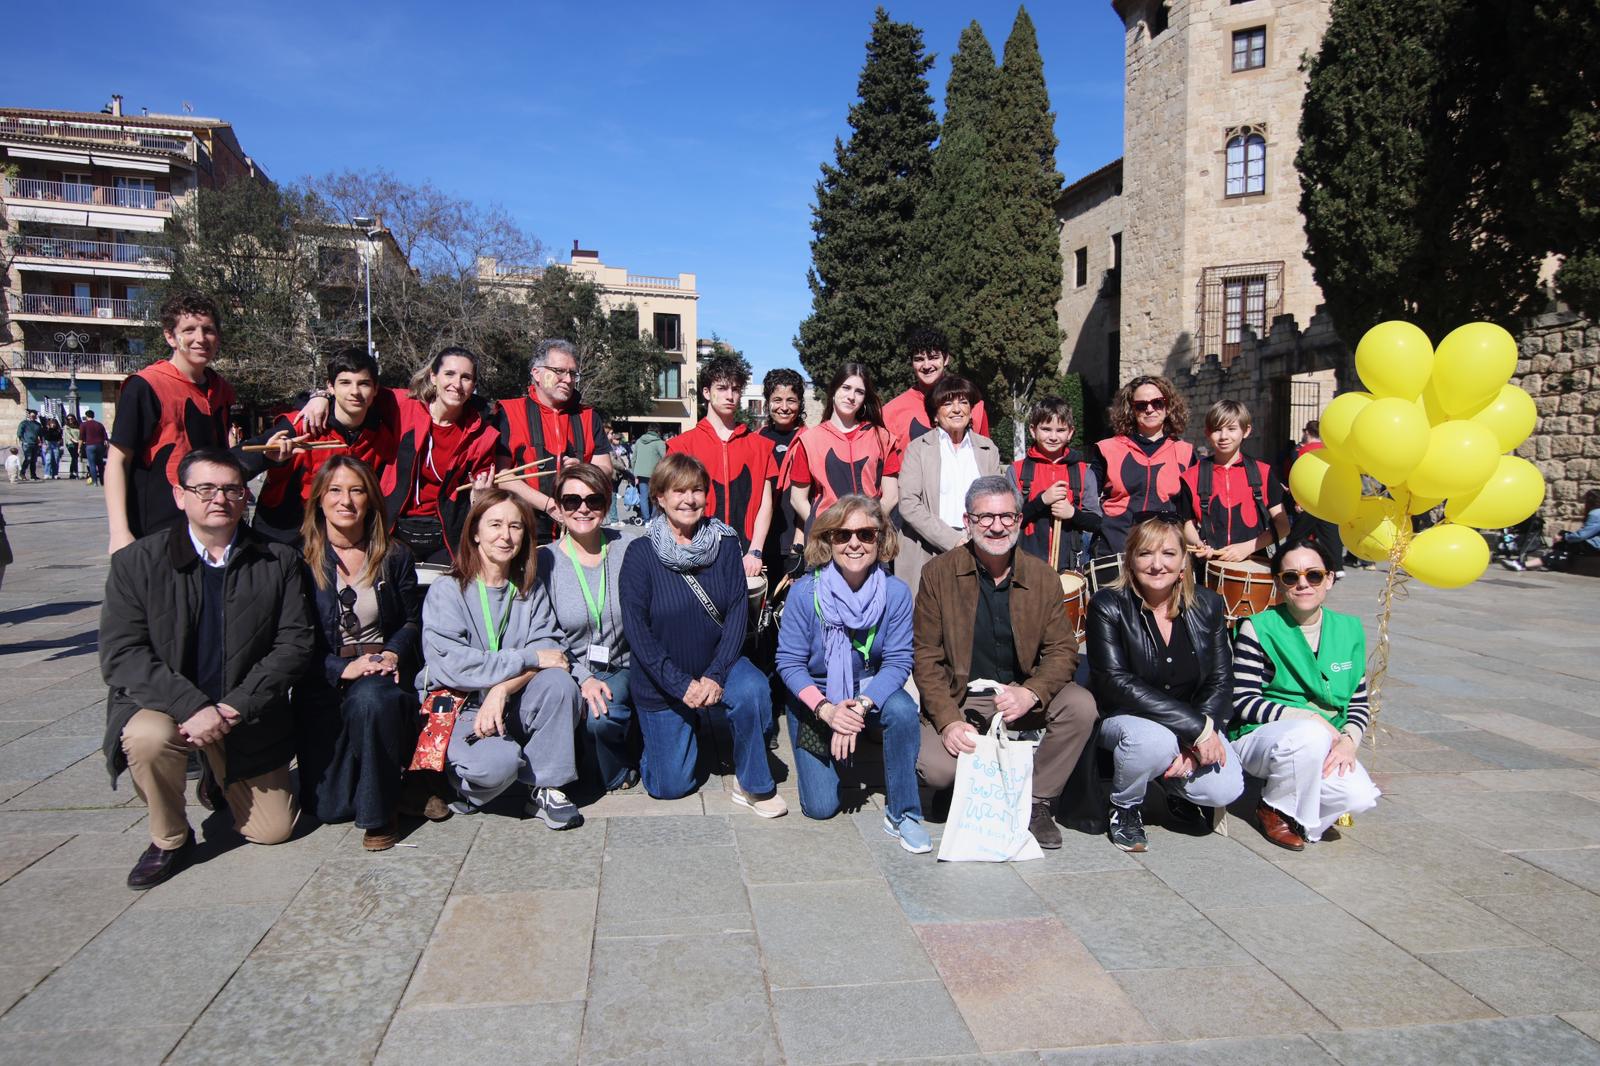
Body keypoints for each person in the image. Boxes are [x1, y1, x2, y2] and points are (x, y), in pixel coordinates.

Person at [100, 448, 315, 889]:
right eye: (205, 488)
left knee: (273, 831)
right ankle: (170, 838)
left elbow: (295, 643)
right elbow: (122, 653)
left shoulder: (279, 560)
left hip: (244, 712)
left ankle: (217, 781)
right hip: (168, 707)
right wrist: (191, 706)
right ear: (180, 496)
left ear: (244, 498)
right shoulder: (137, 563)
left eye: (232, 489)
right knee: (146, 737)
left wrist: (236, 706)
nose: (219, 498)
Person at [912, 475, 1099, 849]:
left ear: (1018, 521)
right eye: (985, 518)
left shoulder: (1043, 576)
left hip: (1020, 694)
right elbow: (926, 658)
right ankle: (968, 784)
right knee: (937, 770)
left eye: (1006, 517)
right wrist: (947, 722)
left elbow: (1063, 650)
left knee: (1081, 706)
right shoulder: (937, 575)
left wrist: (1032, 692)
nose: (996, 526)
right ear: (967, 522)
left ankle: (1035, 801)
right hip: (962, 697)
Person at [619, 453, 785, 816]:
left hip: (716, 663)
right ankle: (651, 742)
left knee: (754, 689)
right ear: (659, 497)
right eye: (678, 491)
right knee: (670, 786)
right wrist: (682, 686)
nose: (689, 499)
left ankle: (754, 783)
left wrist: (715, 674)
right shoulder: (640, 554)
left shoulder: (726, 545)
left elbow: (739, 614)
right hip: (662, 680)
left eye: (697, 490)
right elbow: (638, 633)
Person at [420, 490, 584, 827]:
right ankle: (467, 786)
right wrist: (527, 657)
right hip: (461, 704)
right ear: (475, 532)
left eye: (515, 526)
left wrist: (502, 689)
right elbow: (455, 665)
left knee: (559, 683)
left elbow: (551, 654)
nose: (505, 535)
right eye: (495, 524)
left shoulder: (529, 589)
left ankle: (546, 786)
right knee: (498, 765)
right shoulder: (447, 590)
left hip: (512, 701)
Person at [776, 496, 927, 849]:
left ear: (881, 539)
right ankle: (836, 743)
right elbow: (789, 663)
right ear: (829, 540)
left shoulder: (895, 593)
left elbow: (899, 661)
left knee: (904, 711)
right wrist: (827, 710)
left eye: (866, 534)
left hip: (868, 686)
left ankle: (904, 812)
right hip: (815, 695)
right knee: (821, 807)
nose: (854, 543)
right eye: (843, 535)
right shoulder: (804, 593)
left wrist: (859, 706)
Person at [1087, 515, 1244, 853]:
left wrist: (1200, 737)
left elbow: (1220, 679)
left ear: (1184, 561)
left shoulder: (1209, 604)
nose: (1157, 565)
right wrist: (1196, 730)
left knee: (1225, 788)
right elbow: (1115, 682)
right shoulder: (1107, 604)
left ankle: (1167, 783)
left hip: (1190, 722)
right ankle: (1125, 807)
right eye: (1145, 554)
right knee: (1151, 742)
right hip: (1125, 718)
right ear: (1131, 559)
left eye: (1169, 554)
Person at [295, 456, 426, 851]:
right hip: (324, 678)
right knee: (330, 808)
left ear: (371, 500)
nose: (346, 500)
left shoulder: (394, 554)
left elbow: (412, 621)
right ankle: (389, 782)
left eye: (357, 491)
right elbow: (292, 639)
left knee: (371, 698)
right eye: (335, 490)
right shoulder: (298, 559)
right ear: (319, 499)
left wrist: (391, 654)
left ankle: (380, 813)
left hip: (382, 675)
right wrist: (340, 667)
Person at [1230, 537, 1381, 849]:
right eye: (1290, 577)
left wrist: (1349, 742)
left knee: (1359, 796)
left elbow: (1357, 701)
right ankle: (1274, 806)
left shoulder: (1349, 629)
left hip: (1328, 739)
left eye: (1313, 575)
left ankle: (1301, 805)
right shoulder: (1257, 627)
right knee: (1308, 735)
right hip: (1262, 738)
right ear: (1277, 583)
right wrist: (1310, 718)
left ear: (1329, 579)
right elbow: (1243, 701)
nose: (1303, 584)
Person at [537, 463, 642, 793]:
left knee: (600, 717)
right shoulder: (544, 561)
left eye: (593, 500)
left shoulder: (629, 547)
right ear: (557, 505)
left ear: (607, 505)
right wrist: (582, 678)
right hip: (570, 669)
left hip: (622, 665)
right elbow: (545, 631)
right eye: (571, 501)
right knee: (591, 709)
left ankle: (618, 762)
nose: (583, 508)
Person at [105, 294, 235, 552]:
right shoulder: (145, 386)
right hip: (156, 530)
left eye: (208, 330)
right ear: (170, 337)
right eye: (189, 330)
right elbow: (117, 460)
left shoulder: (220, 388)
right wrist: (119, 532)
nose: (200, 338)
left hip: (209, 531)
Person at [239, 348, 398, 545]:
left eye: (363, 384)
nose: (355, 392)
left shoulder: (380, 435)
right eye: (345, 383)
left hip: (339, 539)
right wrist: (268, 459)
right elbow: (239, 461)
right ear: (330, 387)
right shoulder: (303, 424)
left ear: (375, 389)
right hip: (283, 536)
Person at [493, 339, 615, 543]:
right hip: (523, 527)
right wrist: (549, 505)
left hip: (578, 525)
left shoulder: (588, 416)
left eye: (573, 373)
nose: (567, 379)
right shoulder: (509, 412)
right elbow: (502, 475)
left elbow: (606, 468)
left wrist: (586, 471)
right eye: (559, 371)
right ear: (536, 373)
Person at [667, 354, 776, 576]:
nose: (730, 396)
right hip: (695, 557)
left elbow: (766, 504)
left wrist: (755, 551)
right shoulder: (682, 446)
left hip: (746, 558)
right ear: (707, 392)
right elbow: (672, 505)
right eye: (722, 388)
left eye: (735, 389)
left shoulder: (760, 447)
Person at [895, 376, 1001, 596]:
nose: (956, 409)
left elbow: (996, 500)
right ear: (935, 413)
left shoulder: (988, 449)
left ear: (971, 410)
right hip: (928, 545)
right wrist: (953, 541)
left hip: (978, 546)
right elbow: (908, 504)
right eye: (947, 403)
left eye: (963, 402)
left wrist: (976, 540)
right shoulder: (918, 449)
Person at [783, 363, 901, 549]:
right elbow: (797, 499)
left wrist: (869, 528)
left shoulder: (883, 438)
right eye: (846, 388)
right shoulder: (809, 441)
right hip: (825, 543)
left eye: (859, 392)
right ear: (834, 390)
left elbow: (892, 496)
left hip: (870, 541)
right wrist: (826, 529)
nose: (851, 396)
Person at [1091, 376, 1195, 555]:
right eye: (1141, 405)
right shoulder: (1107, 449)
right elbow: (1088, 502)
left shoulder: (1185, 453)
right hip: (1114, 550)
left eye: (1157, 403)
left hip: (1163, 556)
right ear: (1131, 409)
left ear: (1168, 406)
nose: (1149, 409)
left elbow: (1191, 512)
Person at [1180, 400, 1289, 561]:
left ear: (1246, 431)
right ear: (1207, 433)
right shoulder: (1191, 476)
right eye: (1217, 430)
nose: (1224, 436)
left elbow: (1283, 525)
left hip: (1254, 564)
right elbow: (1186, 523)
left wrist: (1247, 547)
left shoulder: (1263, 473)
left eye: (1231, 429)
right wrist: (1198, 543)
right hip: (1209, 566)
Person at [1010, 396, 1103, 572]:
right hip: (1026, 566)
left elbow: (1096, 522)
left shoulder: (1083, 472)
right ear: (1032, 430)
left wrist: (1073, 513)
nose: (1053, 437)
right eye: (1046, 429)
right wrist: (1041, 501)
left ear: (1070, 433)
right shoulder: (1017, 471)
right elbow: (1009, 519)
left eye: (1060, 430)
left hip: (1069, 568)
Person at [881, 326, 991, 452]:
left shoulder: (974, 407)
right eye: (919, 359)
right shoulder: (890, 413)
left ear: (946, 359)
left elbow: (985, 460)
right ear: (911, 363)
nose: (926, 365)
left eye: (933, 357)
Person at [757, 368, 806, 574]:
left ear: (800, 403)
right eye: (777, 400)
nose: (784, 407)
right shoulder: (756, 439)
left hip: (794, 545)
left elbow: (812, 497)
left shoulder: (810, 440)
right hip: (760, 544)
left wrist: (798, 544)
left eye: (791, 400)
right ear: (768, 402)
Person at [1289, 419, 1346, 574]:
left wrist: (1297, 499)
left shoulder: (1303, 451)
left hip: (1310, 498)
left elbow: (1300, 477)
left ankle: (1289, 558)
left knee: (1297, 534)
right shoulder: (1331, 450)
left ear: (1307, 432)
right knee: (1330, 533)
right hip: (1329, 497)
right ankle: (1337, 567)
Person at [631, 424, 668, 522]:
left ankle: (646, 520)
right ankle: (654, 518)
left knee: (643, 497)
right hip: (655, 474)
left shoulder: (639, 441)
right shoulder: (659, 443)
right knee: (656, 497)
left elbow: (633, 458)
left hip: (641, 473)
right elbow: (665, 458)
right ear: (658, 432)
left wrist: (634, 473)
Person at [79, 410, 108, 487]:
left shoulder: (84, 425)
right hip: (100, 445)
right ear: (93, 416)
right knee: (100, 464)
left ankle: (95, 482)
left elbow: (81, 437)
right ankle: (102, 481)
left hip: (90, 446)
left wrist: (79, 448)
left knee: (92, 464)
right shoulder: (99, 425)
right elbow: (105, 437)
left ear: (86, 416)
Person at [16, 409, 41, 482]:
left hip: (35, 444)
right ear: (29, 415)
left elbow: (40, 434)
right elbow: (19, 433)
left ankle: (33, 475)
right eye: (31, 415)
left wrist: (41, 441)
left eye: (34, 416)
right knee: (28, 458)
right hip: (27, 444)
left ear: (36, 416)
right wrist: (23, 441)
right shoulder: (24, 423)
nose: (33, 417)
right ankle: (22, 473)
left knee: (34, 460)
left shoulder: (38, 424)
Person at [64, 414, 81, 480]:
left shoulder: (78, 425)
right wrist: (74, 440)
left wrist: (80, 441)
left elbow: (80, 434)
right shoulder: (66, 426)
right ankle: (75, 472)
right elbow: (68, 435)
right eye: (69, 419)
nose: (70, 420)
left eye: (71, 418)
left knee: (75, 458)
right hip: (70, 443)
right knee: (74, 457)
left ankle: (72, 473)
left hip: (77, 443)